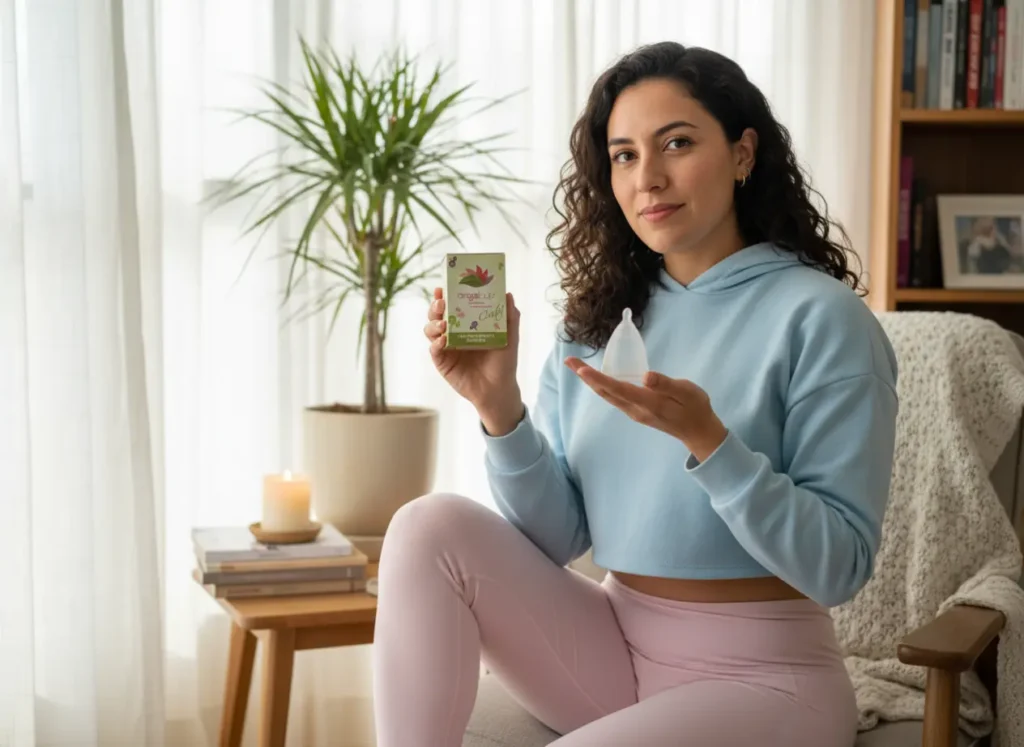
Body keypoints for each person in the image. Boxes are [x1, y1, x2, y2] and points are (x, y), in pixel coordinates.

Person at [372, 41, 898, 747]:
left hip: (768, 677)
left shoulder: (824, 319)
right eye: (623, 155)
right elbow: (558, 539)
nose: (648, 177)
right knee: (425, 527)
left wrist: (711, 443)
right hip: (610, 644)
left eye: (675, 143)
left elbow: (839, 567)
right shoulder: (595, 319)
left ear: (743, 154)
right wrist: (498, 407)